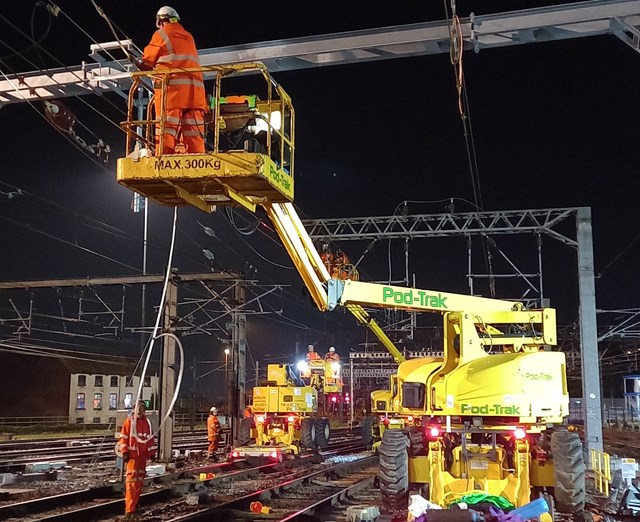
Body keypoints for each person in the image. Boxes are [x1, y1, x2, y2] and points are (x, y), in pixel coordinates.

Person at [140, 6, 207, 155]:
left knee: (166, 132)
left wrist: (140, 64)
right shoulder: (189, 37)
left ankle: (163, 162)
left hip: (172, 95)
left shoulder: (161, 35)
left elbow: (147, 61)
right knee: (194, 134)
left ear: (160, 22)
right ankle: (197, 162)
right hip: (195, 97)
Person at [116, 400, 157, 520]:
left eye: (142, 408)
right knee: (132, 483)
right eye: (138, 407)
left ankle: (135, 506)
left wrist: (152, 453)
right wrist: (124, 452)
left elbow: (150, 439)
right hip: (133, 458)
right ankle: (129, 510)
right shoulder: (129, 422)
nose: (139, 410)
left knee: (139, 482)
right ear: (134, 409)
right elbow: (123, 437)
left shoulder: (147, 422)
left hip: (142, 458)